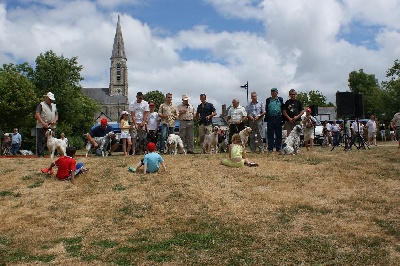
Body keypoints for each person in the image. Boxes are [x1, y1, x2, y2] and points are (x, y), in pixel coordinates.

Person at [35, 92, 58, 157]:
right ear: (46, 98)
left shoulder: (54, 105)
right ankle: (41, 154)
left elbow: (56, 114)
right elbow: (37, 114)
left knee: (53, 140)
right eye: (50, 99)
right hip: (42, 126)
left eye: (52, 100)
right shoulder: (41, 105)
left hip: (51, 125)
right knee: (41, 140)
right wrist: (43, 123)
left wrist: (54, 121)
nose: (51, 101)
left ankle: (53, 154)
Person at [265, 87, 284, 152]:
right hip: (270, 117)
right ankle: (270, 148)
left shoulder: (280, 99)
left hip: (278, 117)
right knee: (270, 134)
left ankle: (278, 148)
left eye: (274, 91)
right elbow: (266, 109)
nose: (272, 93)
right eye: (272, 91)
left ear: (277, 92)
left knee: (278, 133)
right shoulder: (268, 100)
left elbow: (282, 108)